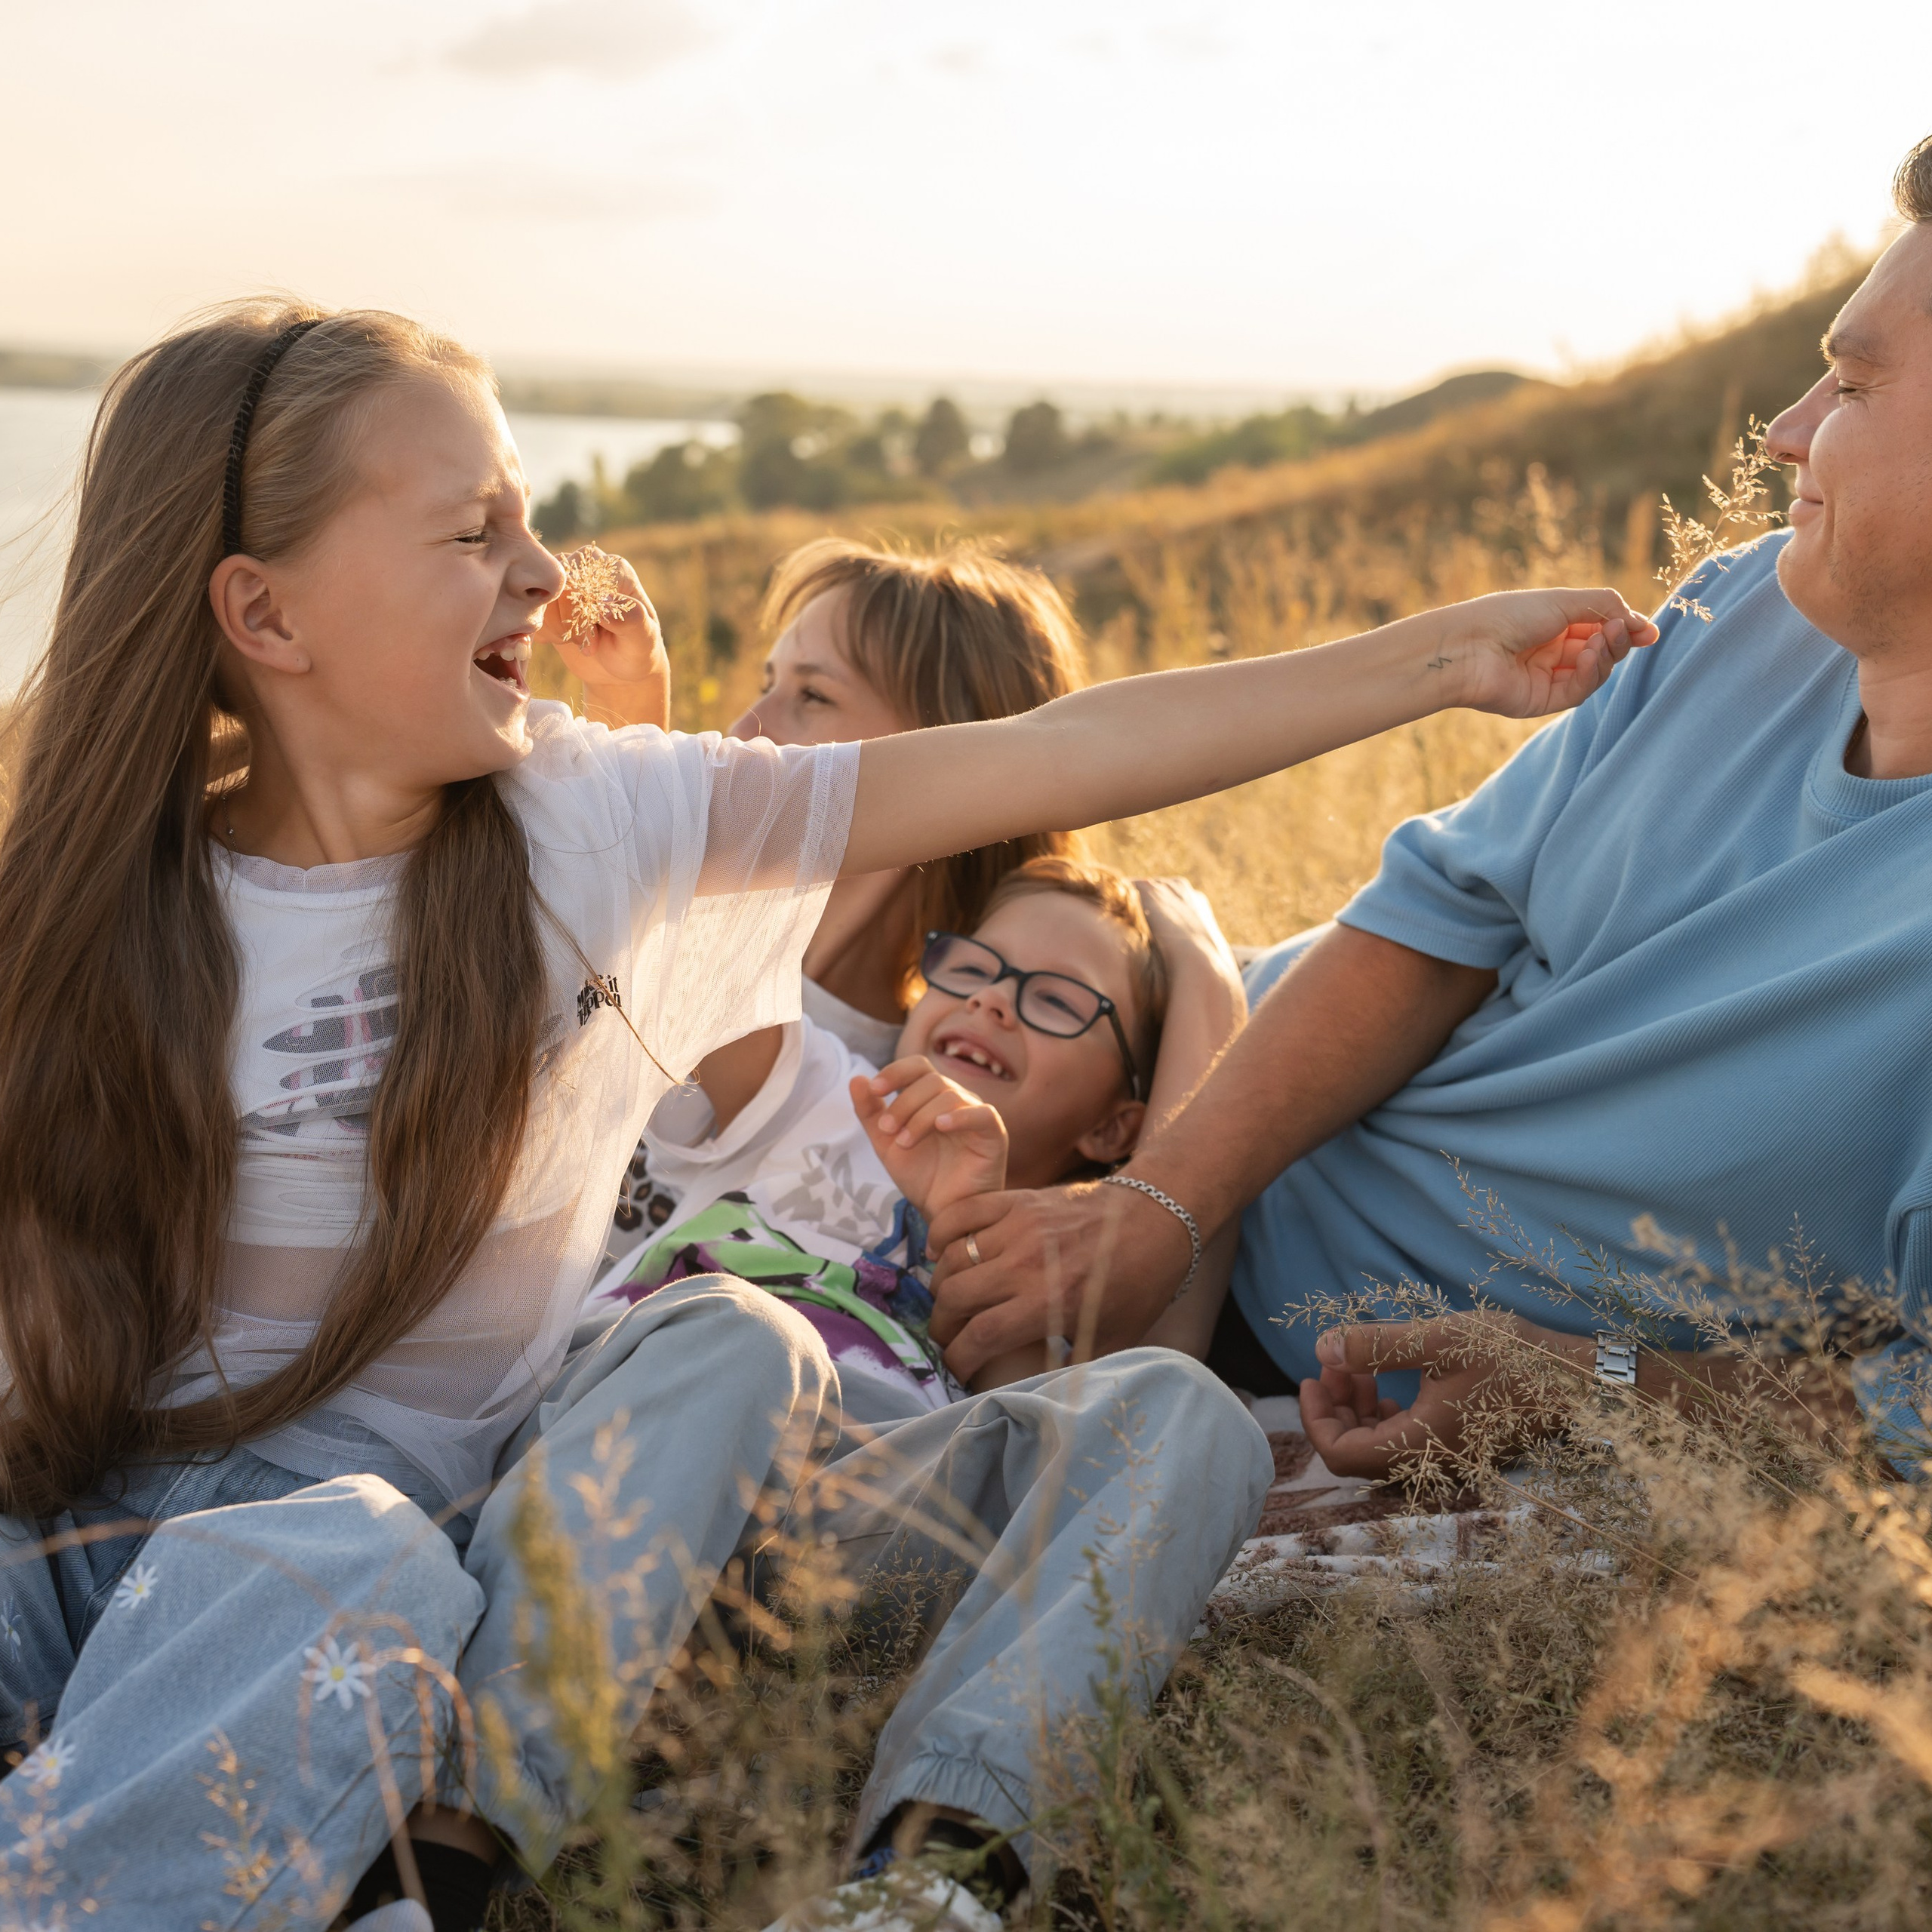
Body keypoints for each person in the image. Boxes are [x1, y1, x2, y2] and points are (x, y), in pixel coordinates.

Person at [0, 299, 1651, 1932]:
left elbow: (1053, 748)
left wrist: (1432, 662)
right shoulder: (83, 896)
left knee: (1081, 1403)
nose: (540, 570)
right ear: (263, 615)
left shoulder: (595, 822)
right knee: (327, 1560)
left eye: (525, 511)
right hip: (149, 1537)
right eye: (469, 529)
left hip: (499, 1538)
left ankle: (918, 1888)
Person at [918, 132, 1932, 1485]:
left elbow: (1911, 1414)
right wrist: (1156, 1203)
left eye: (1855, 383)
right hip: (1162, 1112)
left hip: (1276, 1370)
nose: (1784, 429)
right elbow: (1436, 915)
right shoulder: (1744, 611)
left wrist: (1584, 1381)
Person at [584, 858, 1241, 1419]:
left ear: (1111, 1127)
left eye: (1059, 1001)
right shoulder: (830, 1092)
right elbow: (687, 940)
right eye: (973, 966)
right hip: (625, 1396)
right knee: (749, 1334)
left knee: (1202, 1418)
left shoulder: (1067, 1279)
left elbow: (1044, 1461)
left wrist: (1206, 969)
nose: (992, 1001)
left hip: (842, 1504)